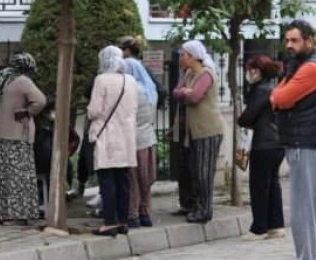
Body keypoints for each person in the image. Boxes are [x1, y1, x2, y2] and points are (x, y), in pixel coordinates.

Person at [270, 20, 316, 260]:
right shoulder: (305, 64)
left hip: (304, 140)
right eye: (287, 40)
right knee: (314, 202)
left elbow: (281, 97)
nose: (289, 45)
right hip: (307, 139)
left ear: (309, 40)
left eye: (295, 40)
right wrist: (279, 94)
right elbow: (280, 92)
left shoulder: (311, 67)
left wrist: (278, 97)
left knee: (303, 204)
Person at [0, 53, 47, 225]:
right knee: (18, 177)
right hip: (16, 134)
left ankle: (1, 213)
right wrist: (27, 112)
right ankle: (16, 215)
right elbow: (40, 100)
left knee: (3, 175)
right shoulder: (22, 81)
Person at [87, 46, 139, 236]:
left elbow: (94, 110)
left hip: (107, 136)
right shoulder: (131, 80)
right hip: (126, 137)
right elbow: (134, 107)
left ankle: (110, 222)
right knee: (123, 180)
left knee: (107, 181)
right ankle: (123, 221)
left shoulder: (101, 80)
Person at [171, 40, 225, 224]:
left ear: (193, 57)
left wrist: (187, 92)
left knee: (204, 171)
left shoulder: (206, 74)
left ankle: (205, 210)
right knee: (193, 170)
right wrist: (185, 91)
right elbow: (176, 92)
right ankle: (194, 205)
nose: (180, 58)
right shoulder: (188, 73)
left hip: (207, 130)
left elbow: (195, 97)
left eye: (183, 54)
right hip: (192, 131)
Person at [238, 55, 285, 240]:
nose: (249, 74)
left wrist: (240, 119)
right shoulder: (274, 89)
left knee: (259, 186)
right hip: (276, 143)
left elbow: (248, 117)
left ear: (257, 71)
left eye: (251, 70)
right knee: (273, 184)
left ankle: (259, 227)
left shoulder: (261, 91)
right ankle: (276, 224)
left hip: (263, 144)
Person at [118, 36, 159, 228]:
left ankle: (132, 214)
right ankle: (146, 213)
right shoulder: (150, 90)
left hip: (132, 141)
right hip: (148, 139)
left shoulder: (131, 90)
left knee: (132, 180)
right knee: (145, 181)